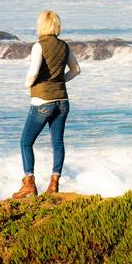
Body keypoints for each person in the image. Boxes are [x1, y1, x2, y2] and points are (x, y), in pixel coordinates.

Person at [12, 10, 81, 199]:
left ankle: (29, 183)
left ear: (41, 25)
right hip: (63, 102)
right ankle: (54, 184)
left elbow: (33, 72)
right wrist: (60, 81)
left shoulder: (39, 46)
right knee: (57, 142)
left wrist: (27, 84)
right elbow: (76, 70)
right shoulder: (64, 46)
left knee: (26, 142)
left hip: (43, 101)